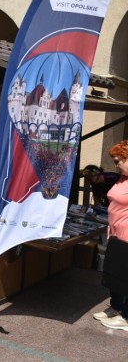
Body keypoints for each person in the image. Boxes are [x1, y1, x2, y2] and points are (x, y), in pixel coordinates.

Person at [96, 141, 128, 331]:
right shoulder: (122, 179)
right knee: (114, 273)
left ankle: (126, 316)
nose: (115, 164)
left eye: (118, 161)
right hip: (116, 233)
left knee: (126, 275)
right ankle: (116, 306)